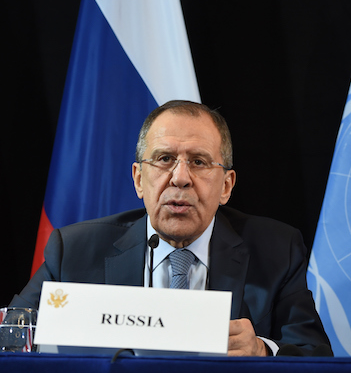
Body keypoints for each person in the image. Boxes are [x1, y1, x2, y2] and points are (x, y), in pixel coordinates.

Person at [11, 100, 331, 356]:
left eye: (199, 161)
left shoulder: (276, 249)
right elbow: (11, 339)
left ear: (226, 186)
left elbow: (316, 357)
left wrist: (262, 350)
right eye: (164, 158)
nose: (179, 177)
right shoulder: (75, 250)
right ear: (139, 178)